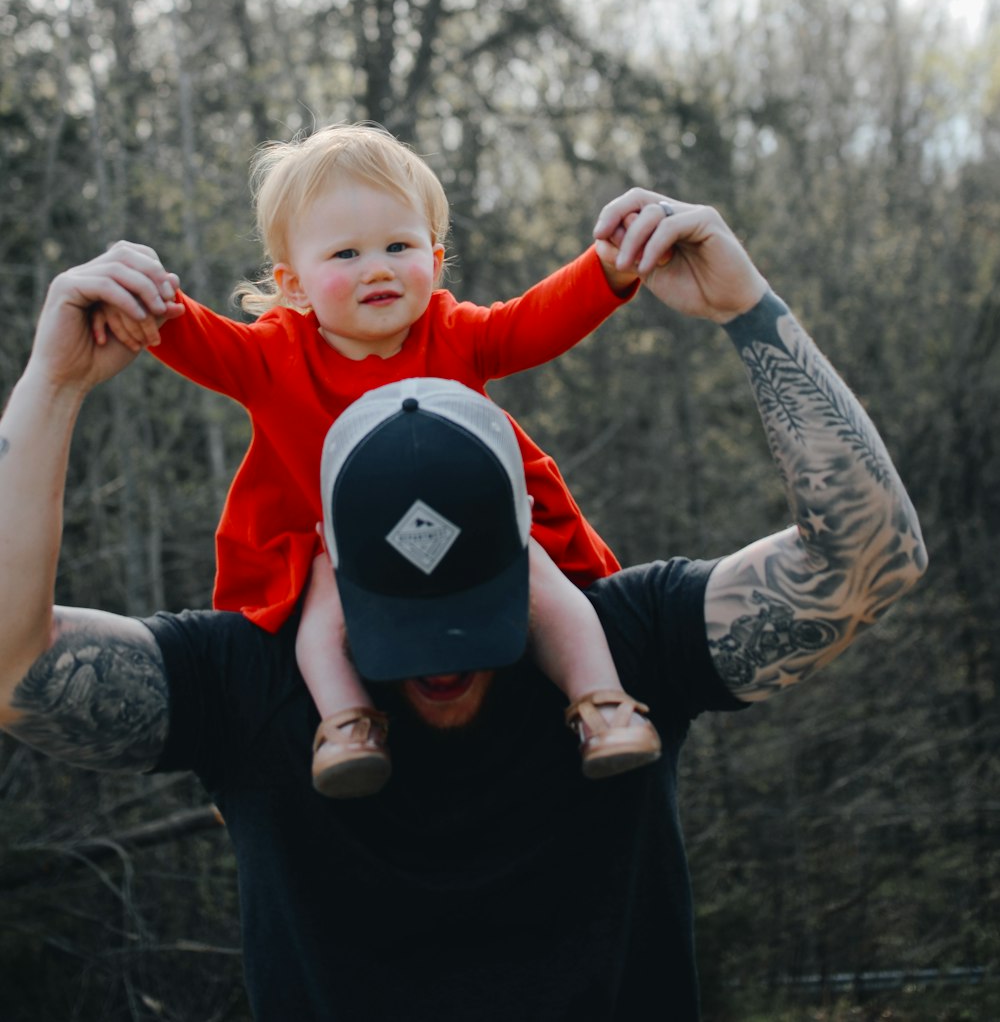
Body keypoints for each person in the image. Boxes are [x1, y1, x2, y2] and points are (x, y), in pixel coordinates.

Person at [0, 188, 927, 1022]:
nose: (440, 653)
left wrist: (745, 306)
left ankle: (587, 711)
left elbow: (869, 561)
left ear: (526, 532)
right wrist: (53, 382)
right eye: (394, 618)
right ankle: (348, 725)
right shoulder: (251, 677)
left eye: (472, 597)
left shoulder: (625, 636)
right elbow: (12, 668)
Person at [92, 124, 660, 796]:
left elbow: (534, 320)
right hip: (339, 544)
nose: (379, 268)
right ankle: (345, 725)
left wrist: (609, 270)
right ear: (293, 282)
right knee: (324, 609)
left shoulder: (454, 333)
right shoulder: (272, 358)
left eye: (399, 245)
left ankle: (603, 703)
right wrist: (146, 293)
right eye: (345, 254)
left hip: (472, 528)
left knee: (538, 576)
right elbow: (196, 339)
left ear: (436, 255)